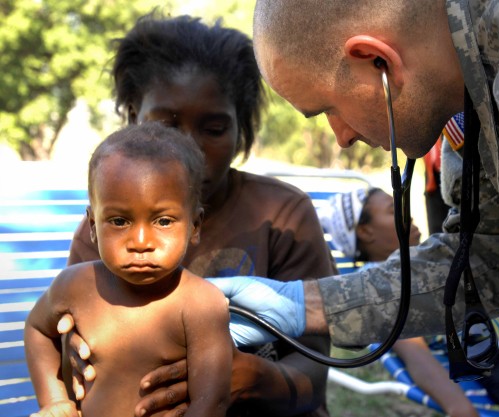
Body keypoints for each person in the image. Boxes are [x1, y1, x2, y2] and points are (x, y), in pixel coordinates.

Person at [209, 0, 499, 414]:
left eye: (328, 109)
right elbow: (491, 260)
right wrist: (306, 305)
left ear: (377, 61)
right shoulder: (478, 88)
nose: (340, 137)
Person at [61, 13, 335, 417]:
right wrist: (71, 352)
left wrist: (250, 377)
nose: (188, 149)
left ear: (240, 129)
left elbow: (315, 372)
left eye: (213, 129)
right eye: (167, 124)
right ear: (134, 115)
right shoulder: (103, 232)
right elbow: (64, 346)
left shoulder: (282, 216)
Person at [24, 122, 234, 417]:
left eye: (163, 221)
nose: (140, 242)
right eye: (119, 221)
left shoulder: (200, 304)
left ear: (194, 226)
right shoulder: (74, 286)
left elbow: (212, 403)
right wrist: (54, 400)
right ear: (93, 227)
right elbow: (37, 329)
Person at [319, 187, 479, 417]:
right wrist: (460, 408)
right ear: (365, 232)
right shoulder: (381, 290)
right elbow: (415, 354)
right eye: (393, 210)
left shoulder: (425, 262)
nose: (409, 214)